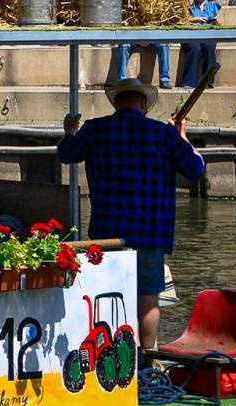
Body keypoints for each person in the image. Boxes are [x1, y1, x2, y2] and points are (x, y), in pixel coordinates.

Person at [58, 77, 204, 350]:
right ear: (145, 103)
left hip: (107, 230)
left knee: (106, 293)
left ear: (116, 102)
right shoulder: (161, 133)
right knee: (148, 296)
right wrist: (181, 135)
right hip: (150, 231)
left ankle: (108, 354)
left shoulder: (95, 129)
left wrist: (69, 131)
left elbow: (66, 153)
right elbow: (194, 167)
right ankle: (147, 356)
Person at [177, 0, 221, 88]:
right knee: (195, 48)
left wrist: (216, 20)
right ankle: (188, 82)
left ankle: (207, 82)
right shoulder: (188, 4)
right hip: (190, 34)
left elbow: (219, 23)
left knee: (209, 47)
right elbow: (180, 20)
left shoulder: (213, 4)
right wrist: (195, 19)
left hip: (208, 34)